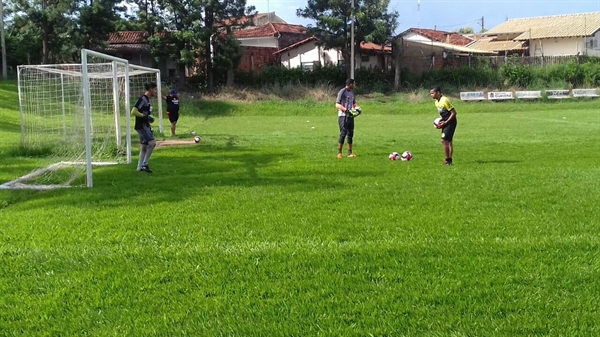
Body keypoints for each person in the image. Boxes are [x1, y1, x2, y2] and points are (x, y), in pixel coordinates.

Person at [131, 82, 157, 173]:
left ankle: (139, 168)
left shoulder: (148, 100)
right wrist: (144, 116)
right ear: (150, 89)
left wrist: (149, 118)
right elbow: (133, 111)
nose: (155, 91)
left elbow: (145, 113)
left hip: (145, 125)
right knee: (152, 143)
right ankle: (145, 164)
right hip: (141, 126)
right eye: (154, 89)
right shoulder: (142, 99)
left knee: (144, 146)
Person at [430, 87, 458, 166]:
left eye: (432, 93)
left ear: (438, 93)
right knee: (448, 141)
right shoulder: (436, 102)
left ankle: (448, 160)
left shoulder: (444, 100)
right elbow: (442, 114)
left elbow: (454, 113)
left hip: (450, 122)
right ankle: (449, 160)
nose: (431, 95)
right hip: (445, 123)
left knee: (444, 141)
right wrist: (440, 121)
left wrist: (445, 122)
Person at [335, 78, 360, 158]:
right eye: (354, 84)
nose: (355, 85)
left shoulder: (352, 93)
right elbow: (337, 104)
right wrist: (346, 110)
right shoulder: (342, 92)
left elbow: (354, 103)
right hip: (343, 116)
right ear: (350, 84)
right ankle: (339, 153)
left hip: (350, 116)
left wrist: (357, 109)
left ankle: (350, 153)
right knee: (343, 133)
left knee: (350, 133)